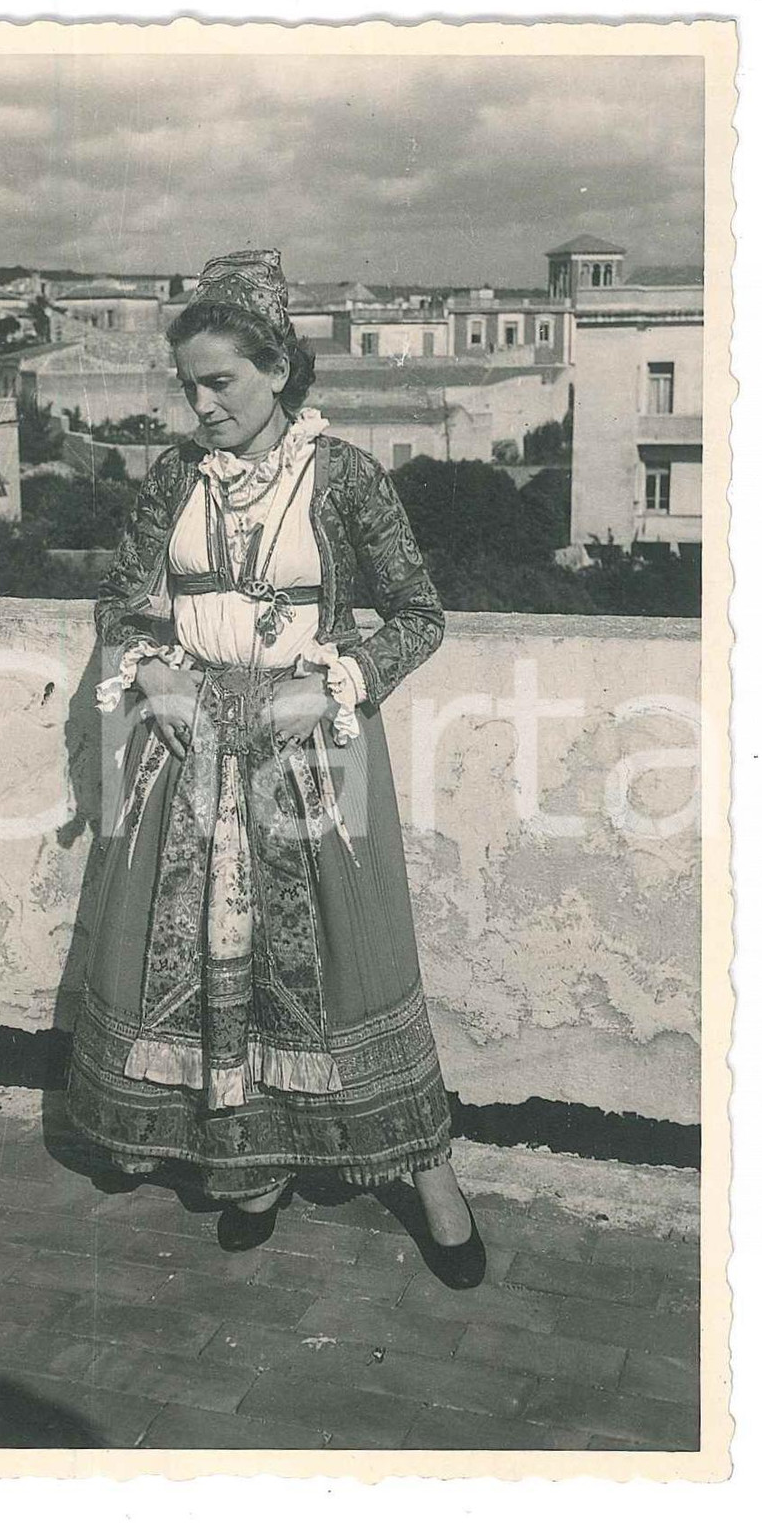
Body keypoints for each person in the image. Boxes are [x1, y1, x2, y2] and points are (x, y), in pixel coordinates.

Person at [66, 249, 485, 1288]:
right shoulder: (170, 480)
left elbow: (422, 616)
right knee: (216, 967)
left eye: (222, 383)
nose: (202, 406)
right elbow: (125, 606)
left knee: (352, 959)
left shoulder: (343, 476)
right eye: (190, 386)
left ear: (277, 372)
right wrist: (153, 677)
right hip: (189, 751)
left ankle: (429, 1176)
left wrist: (334, 681)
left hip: (311, 750)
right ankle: (249, 1169)